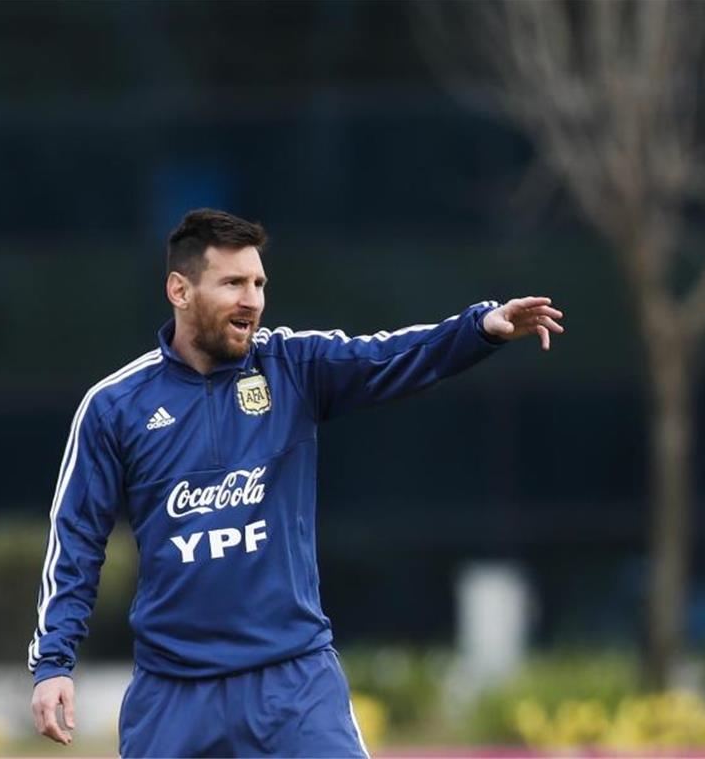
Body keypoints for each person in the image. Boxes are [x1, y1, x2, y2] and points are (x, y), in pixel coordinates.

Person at [27, 208, 565, 757]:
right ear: (179, 290)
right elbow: (76, 539)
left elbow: (390, 355)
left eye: (258, 283)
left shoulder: (292, 367)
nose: (252, 300)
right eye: (233, 282)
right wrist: (54, 661)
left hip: (293, 682)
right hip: (174, 695)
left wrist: (478, 330)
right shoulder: (115, 406)